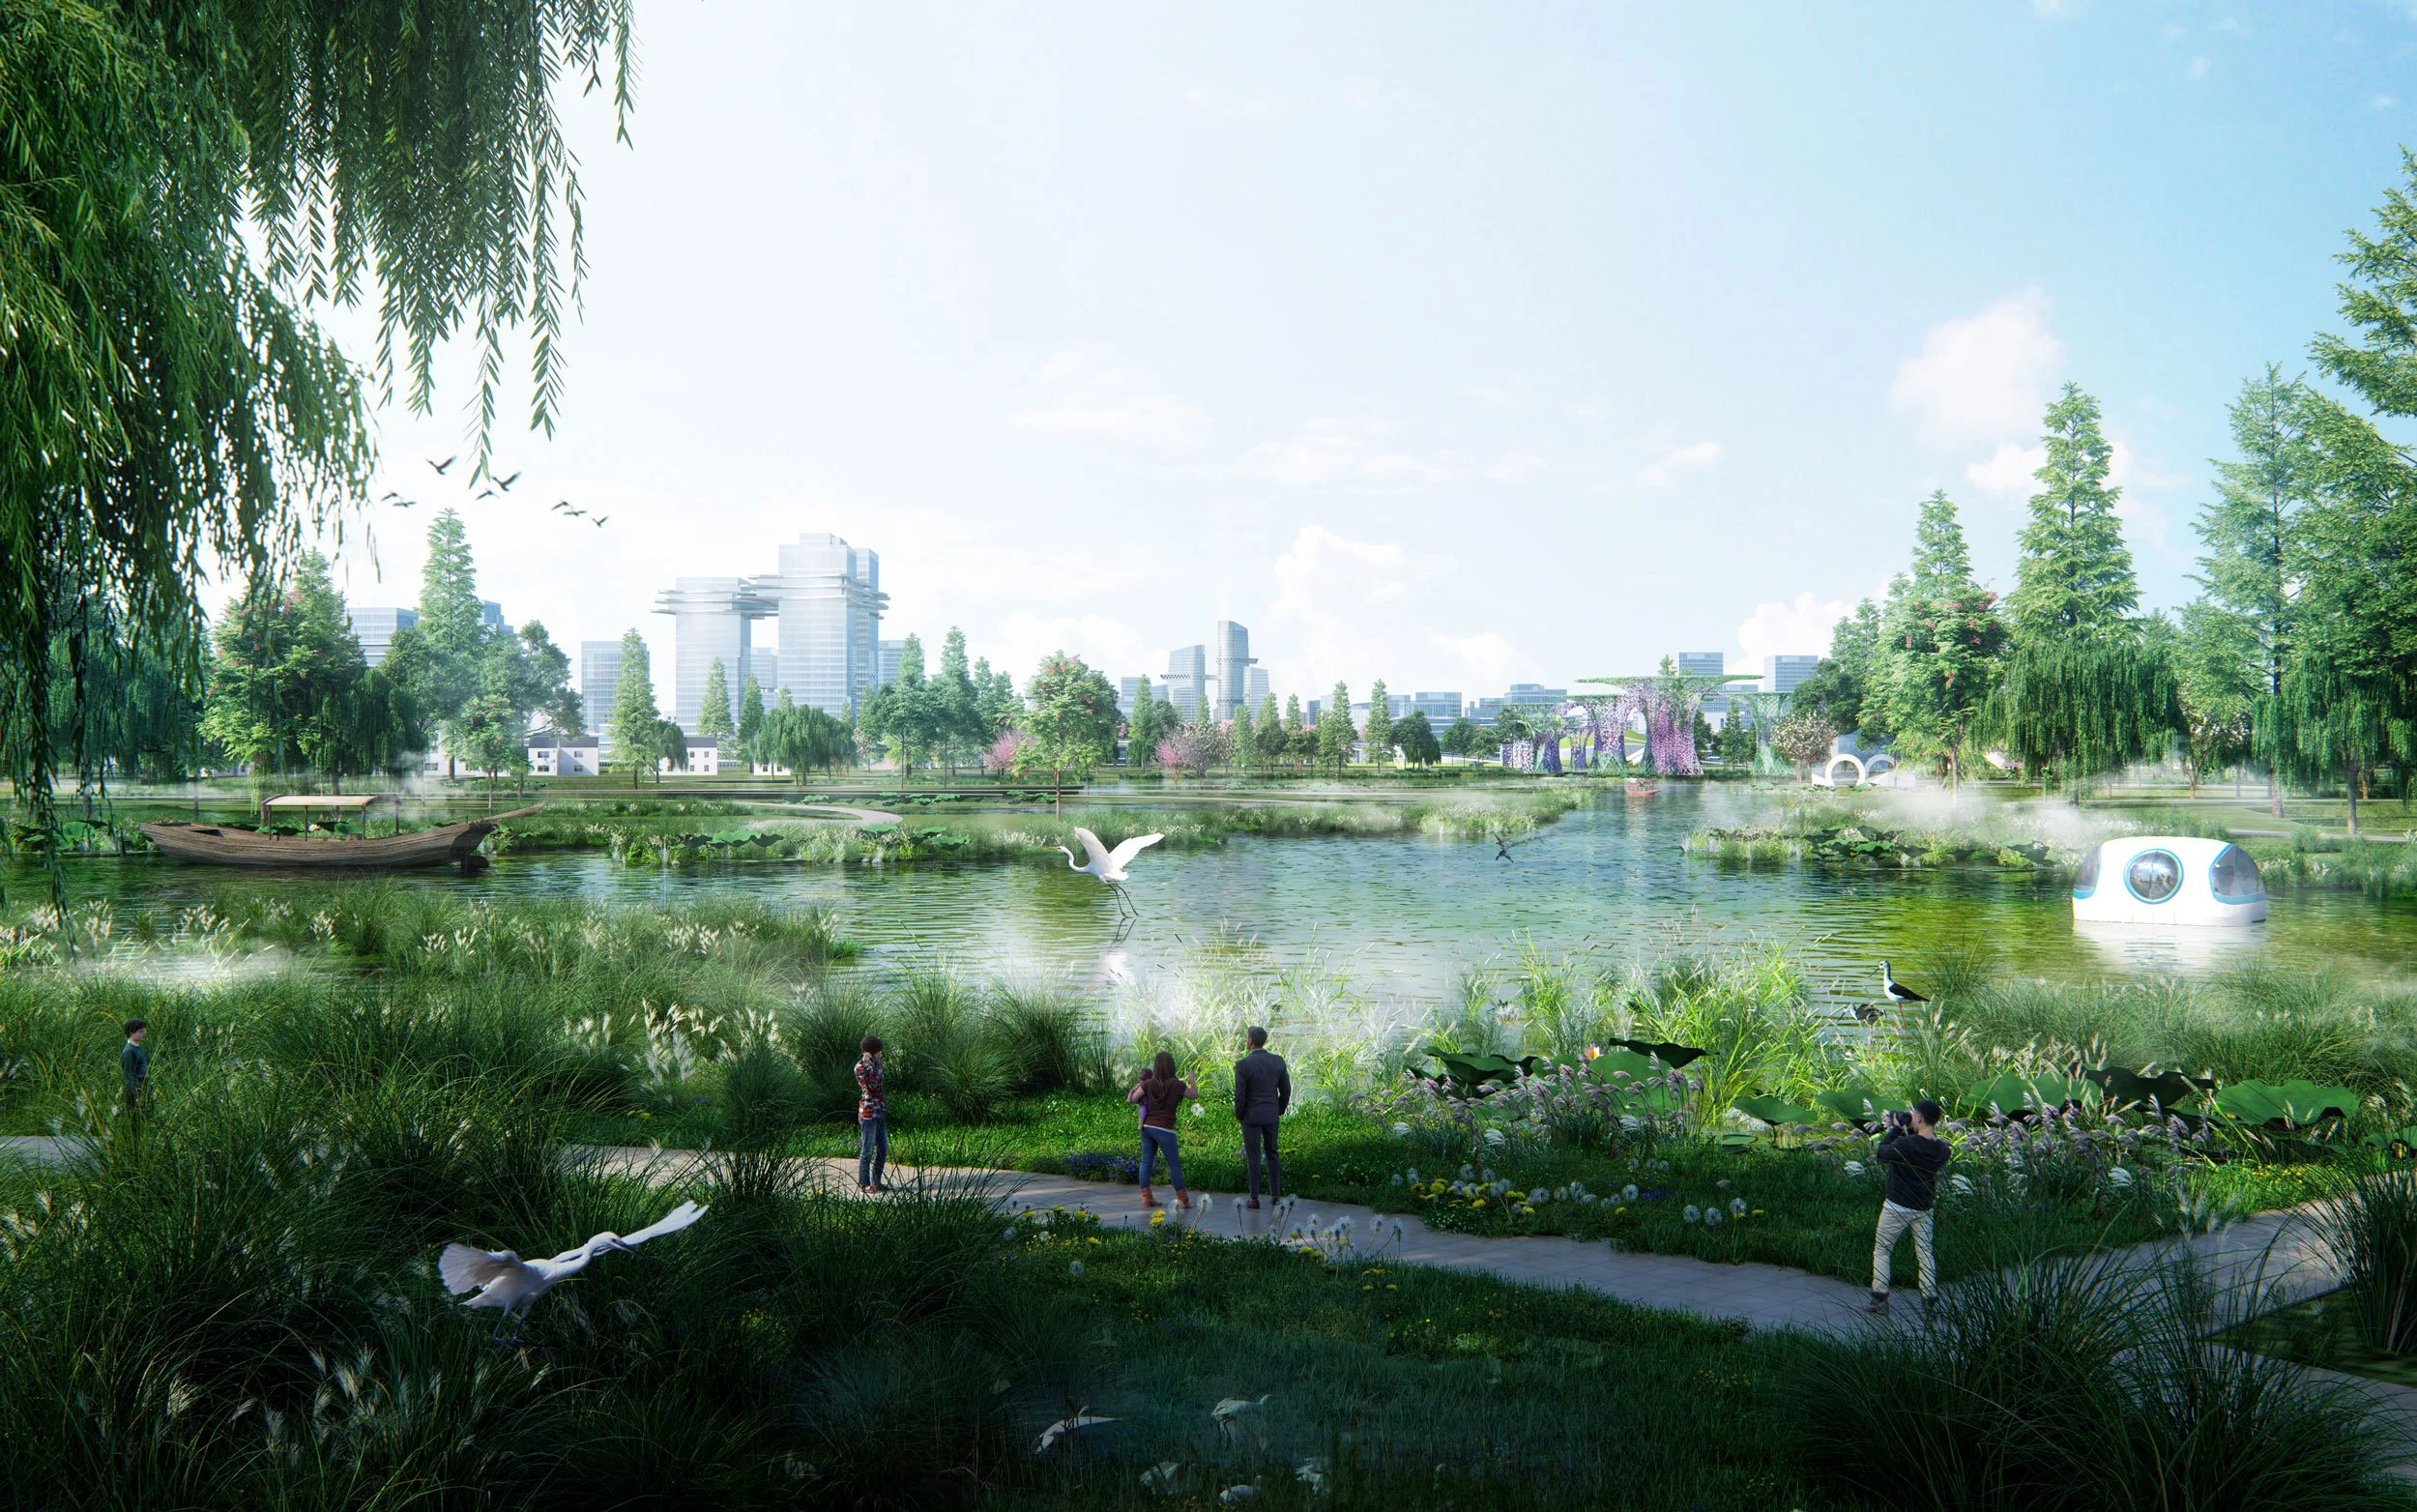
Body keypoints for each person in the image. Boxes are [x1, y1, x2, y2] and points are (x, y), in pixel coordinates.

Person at [1868, 1098, 1951, 1316]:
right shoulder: (1942, 1150)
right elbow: (1922, 1148)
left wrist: (1896, 1128)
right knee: (1925, 1253)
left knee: (1883, 1250)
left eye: (1914, 1115)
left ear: (1921, 1118)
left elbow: (1882, 1153)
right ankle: (1929, 1301)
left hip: (1896, 1206)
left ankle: (1880, 1298)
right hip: (1924, 1208)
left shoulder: (1906, 1144)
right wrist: (1911, 1128)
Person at [1127, 1051, 1197, 1209]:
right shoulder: (1178, 1084)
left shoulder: (1149, 1083)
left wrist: (1144, 1102)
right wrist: (1192, 1079)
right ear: (1172, 1066)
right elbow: (1194, 1095)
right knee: (1173, 1165)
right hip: (1165, 1129)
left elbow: (1133, 1098)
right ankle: (1183, 1200)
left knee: (1146, 1162)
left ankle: (1146, 1198)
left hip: (1147, 1128)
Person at [1231, 1025, 1291, 1209]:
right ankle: (1275, 1195)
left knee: (1253, 1155)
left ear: (1250, 1040)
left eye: (1246, 1037)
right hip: (1271, 1114)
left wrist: (1239, 1114)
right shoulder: (1278, 1061)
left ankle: (1254, 1198)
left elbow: (1240, 1094)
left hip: (1251, 1115)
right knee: (1272, 1152)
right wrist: (1279, 1109)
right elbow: (1286, 1089)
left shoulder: (1243, 1065)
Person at [855, 1034, 889, 1195]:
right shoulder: (861, 1068)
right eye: (878, 1052)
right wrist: (872, 1066)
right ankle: (864, 1184)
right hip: (868, 1114)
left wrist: (875, 1065)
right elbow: (873, 1084)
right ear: (871, 1052)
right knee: (867, 1150)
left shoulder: (876, 1065)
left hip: (879, 1112)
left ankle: (876, 1182)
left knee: (883, 1149)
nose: (880, 1055)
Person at [120, 1019, 149, 1113]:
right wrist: (137, 1096)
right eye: (140, 1031)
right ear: (132, 1034)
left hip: (144, 1090)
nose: (144, 1033)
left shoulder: (138, 1048)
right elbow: (129, 1076)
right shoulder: (129, 1051)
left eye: (144, 1031)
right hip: (135, 1096)